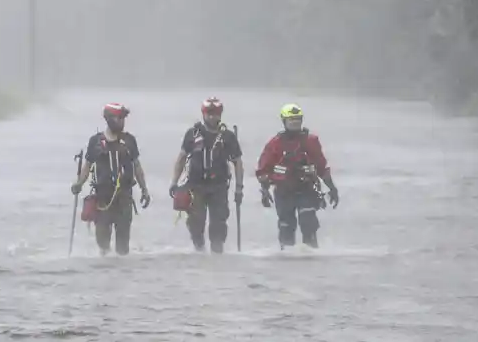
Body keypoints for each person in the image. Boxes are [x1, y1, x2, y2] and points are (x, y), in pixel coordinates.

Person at [71, 103, 152, 255]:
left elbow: (137, 167)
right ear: (108, 119)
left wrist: (144, 190)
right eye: (118, 118)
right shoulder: (95, 142)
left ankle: (121, 273)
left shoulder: (129, 141)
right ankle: (104, 272)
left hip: (124, 198)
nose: (122, 121)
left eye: (123, 118)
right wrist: (79, 184)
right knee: (102, 243)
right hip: (102, 200)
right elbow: (87, 166)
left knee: (122, 246)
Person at [255, 103, 339, 248]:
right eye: (291, 120)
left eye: (297, 120)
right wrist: (264, 191)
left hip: (307, 189)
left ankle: (311, 255)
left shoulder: (311, 141)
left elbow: (321, 166)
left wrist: (332, 188)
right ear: (284, 121)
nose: (295, 123)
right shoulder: (275, 144)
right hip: (283, 192)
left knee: (308, 222)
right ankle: (287, 258)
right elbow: (263, 169)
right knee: (286, 226)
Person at [169, 96, 244, 253]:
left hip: (219, 187)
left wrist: (239, 188)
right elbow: (181, 159)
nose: (212, 116)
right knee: (196, 222)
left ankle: (217, 253)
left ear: (220, 114)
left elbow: (238, 163)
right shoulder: (192, 134)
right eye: (209, 113)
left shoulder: (228, 137)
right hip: (195, 186)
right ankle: (199, 250)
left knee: (218, 223)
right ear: (203, 114)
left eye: (215, 113)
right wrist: (174, 183)